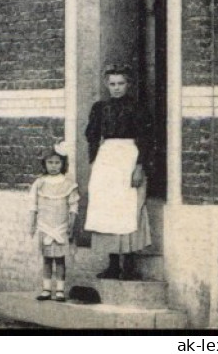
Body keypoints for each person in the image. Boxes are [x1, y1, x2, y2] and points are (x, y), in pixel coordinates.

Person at [84, 67, 154, 279]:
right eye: (112, 84)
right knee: (107, 207)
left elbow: (146, 138)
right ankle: (113, 264)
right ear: (107, 85)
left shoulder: (137, 108)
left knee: (129, 206)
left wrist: (140, 166)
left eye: (120, 84)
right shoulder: (100, 108)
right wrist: (95, 160)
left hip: (129, 157)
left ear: (128, 84)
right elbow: (92, 135)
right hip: (107, 159)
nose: (116, 88)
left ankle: (129, 266)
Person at [29, 148, 79, 301]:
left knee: (60, 259)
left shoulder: (68, 184)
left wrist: (71, 225)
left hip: (61, 226)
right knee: (47, 259)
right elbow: (33, 205)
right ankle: (46, 289)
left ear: (63, 164)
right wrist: (32, 224)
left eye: (57, 162)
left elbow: (73, 207)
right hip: (45, 225)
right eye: (50, 162)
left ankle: (60, 291)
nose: (53, 166)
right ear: (44, 164)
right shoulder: (39, 183)